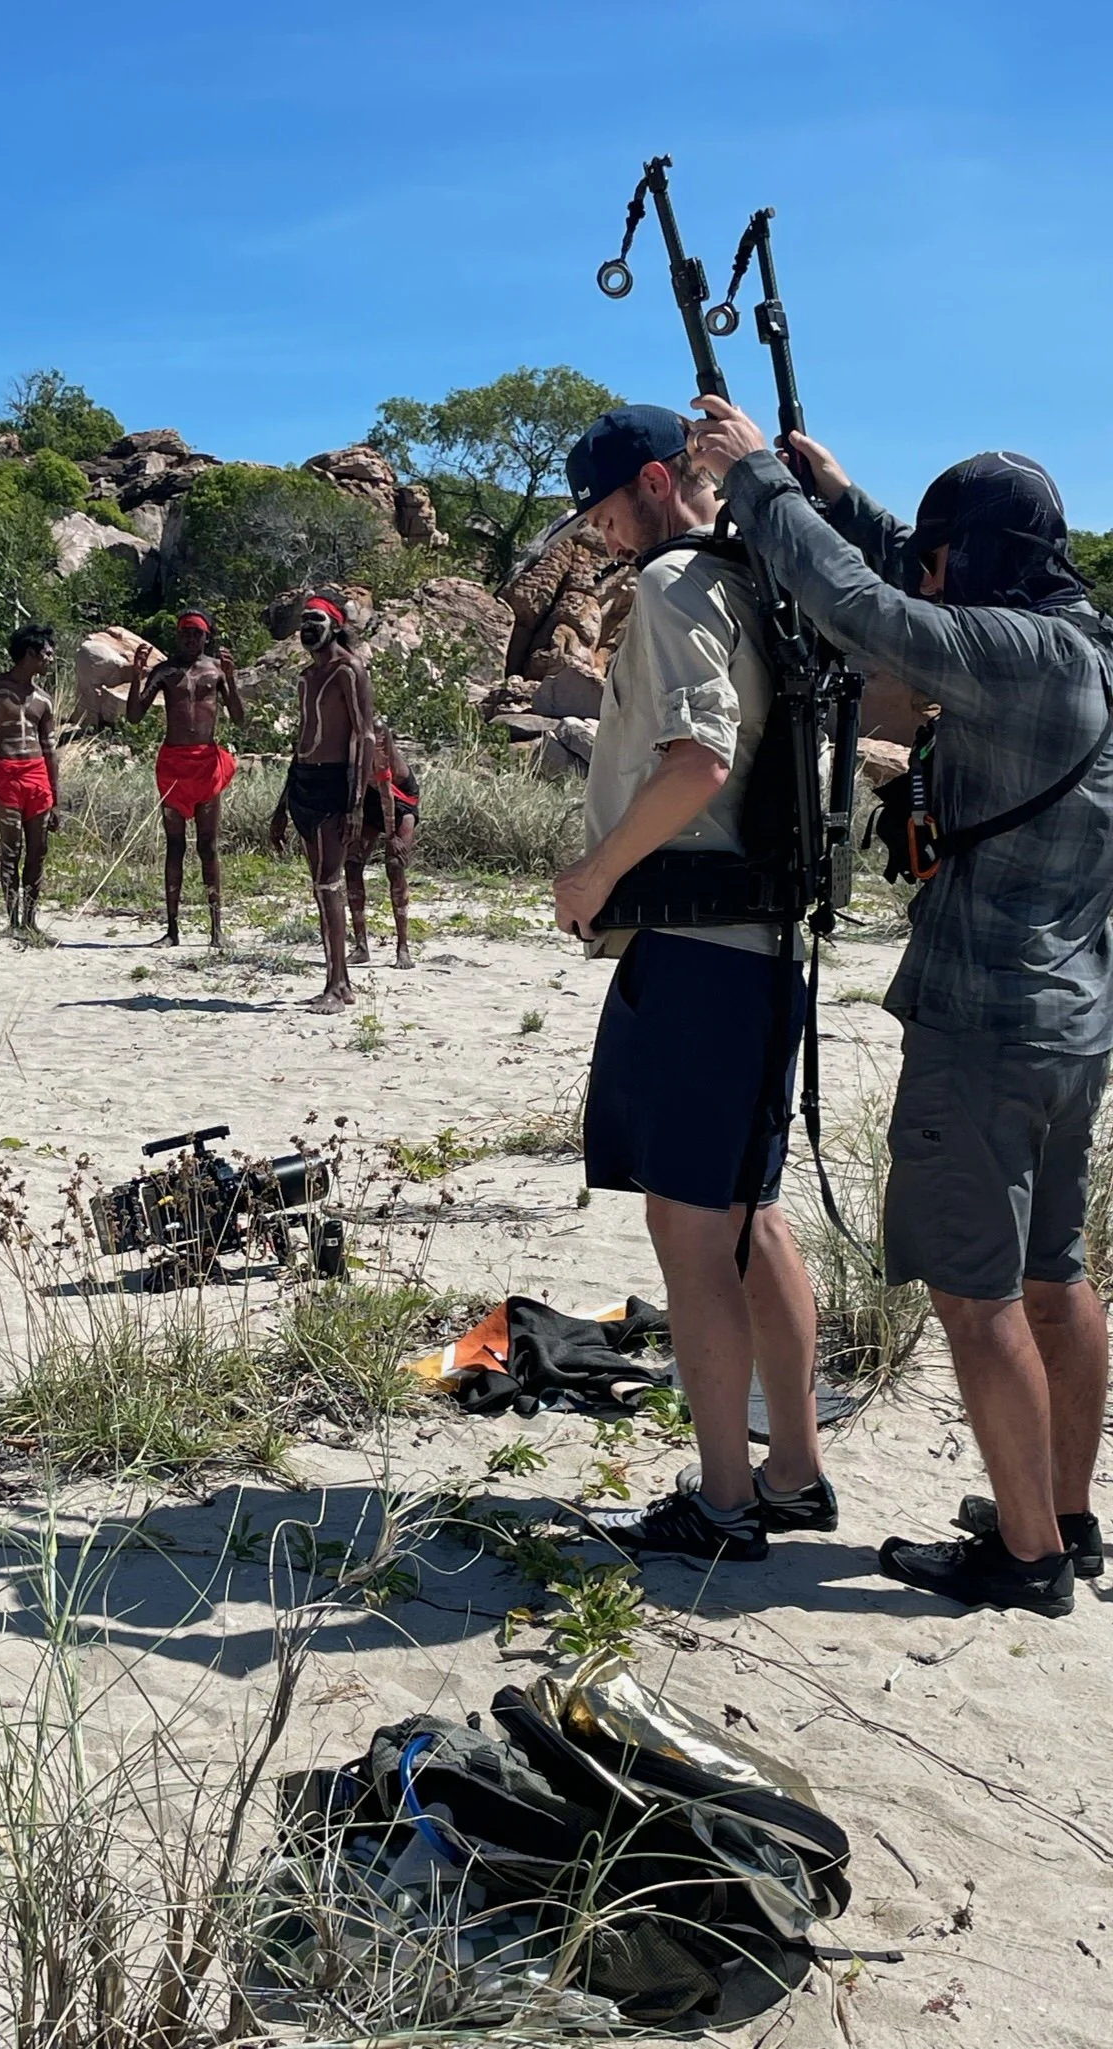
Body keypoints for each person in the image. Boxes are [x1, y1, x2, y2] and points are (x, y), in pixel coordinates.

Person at [692, 396, 1113, 1618]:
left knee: (975, 1299)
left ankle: (1024, 1559)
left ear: (973, 560)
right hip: (1072, 1019)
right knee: (1056, 1274)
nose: (930, 570)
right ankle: (1067, 1516)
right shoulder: (1081, 648)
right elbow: (926, 599)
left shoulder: (1017, 657)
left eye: (941, 550)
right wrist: (840, 499)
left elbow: (882, 620)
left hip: (986, 1026)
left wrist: (759, 484)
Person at [550, 406, 833, 1566]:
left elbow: (698, 761)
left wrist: (594, 871)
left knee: (689, 1226)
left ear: (658, 482)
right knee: (750, 1215)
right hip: (766, 949)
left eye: (608, 508)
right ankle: (794, 1473)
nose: (603, 534)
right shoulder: (761, 577)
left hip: (697, 945)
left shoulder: (673, 587)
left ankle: (722, 1504)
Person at [269, 595, 375, 1013]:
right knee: (321, 887)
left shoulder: (349, 671)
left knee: (330, 884)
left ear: (334, 624)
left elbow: (363, 736)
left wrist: (355, 803)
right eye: (303, 621)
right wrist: (282, 804)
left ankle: (338, 984)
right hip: (305, 784)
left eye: (315, 620)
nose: (307, 628)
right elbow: (302, 742)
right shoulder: (306, 677)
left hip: (336, 785)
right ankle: (338, 981)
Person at [125, 609, 245, 947]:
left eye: (196, 633)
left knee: (208, 846)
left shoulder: (216, 671)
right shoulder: (166, 672)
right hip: (174, 765)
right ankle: (173, 930)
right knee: (174, 846)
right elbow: (134, 717)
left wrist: (232, 679)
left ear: (207, 636)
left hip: (205, 764)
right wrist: (136, 675)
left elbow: (238, 718)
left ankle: (216, 929)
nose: (190, 638)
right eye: (185, 632)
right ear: (177, 636)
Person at [0, 623, 59, 932]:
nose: (51, 658)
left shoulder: (43, 699)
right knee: (11, 849)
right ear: (30, 653)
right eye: (47, 652)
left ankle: (30, 920)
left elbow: (50, 751)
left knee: (37, 850)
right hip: (6, 774)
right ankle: (12, 919)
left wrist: (55, 798)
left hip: (37, 777)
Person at [346, 716, 419, 969]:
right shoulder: (354, 750)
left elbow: (388, 799)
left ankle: (403, 947)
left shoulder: (382, 758)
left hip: (399, 805)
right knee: (353, 864)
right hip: (370, 804)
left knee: (395, 864)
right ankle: (361, 946)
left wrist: (392, 836)